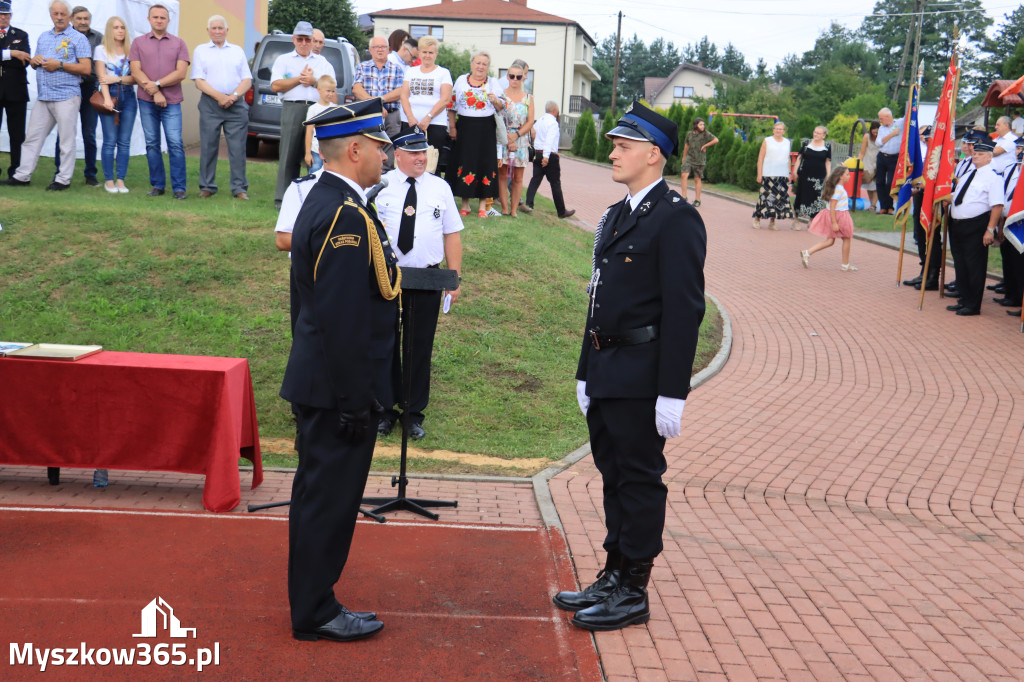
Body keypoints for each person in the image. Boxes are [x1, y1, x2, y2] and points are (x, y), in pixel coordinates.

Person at [555, 102, 706, 632]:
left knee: (640, 481)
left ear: (652, 154)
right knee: (613, 478)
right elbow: (597, 299)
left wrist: (673, 392)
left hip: (643, 376)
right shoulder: (617, 215)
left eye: (622, 146)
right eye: (615, 144)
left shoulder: (677, 218)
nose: (613, 152)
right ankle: (614, 573)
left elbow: (686, 311)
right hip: (606, 368)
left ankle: (634, 590)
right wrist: (583, 369)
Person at [279, 98, 397, 644]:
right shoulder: (343, 214)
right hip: (337, 392)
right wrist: (355, 400)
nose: (384, 154)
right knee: (328, 502)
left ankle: (312, 601)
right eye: (378, 146)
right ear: (355, 149)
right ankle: (316, 610)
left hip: (323, 383)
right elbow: (342, 319)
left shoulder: (325, 201)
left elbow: (306, 305)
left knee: (316, 497)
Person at [376, 128, 463, 439]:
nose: (421, 157)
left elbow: (451, 232)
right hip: (387, 278)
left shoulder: (439, 187)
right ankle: (384, 411)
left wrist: (455, 277)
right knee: (385, 345)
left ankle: (413, 413)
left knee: (419, 346)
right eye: (413, 152)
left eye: (423, 151)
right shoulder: (380, 186)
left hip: (426, 276)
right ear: (396, 155)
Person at [5, 0, 91, 191]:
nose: (59, 17)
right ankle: (22, 175)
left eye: (62, 14)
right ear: (51, 15)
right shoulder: (44, 36)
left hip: (66, 95)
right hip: (45, 96)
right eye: (55, 14)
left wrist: (59, 65)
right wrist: (35, 61)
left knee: (66, 141)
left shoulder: (78, 38)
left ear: (69, 16)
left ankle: (63, 179)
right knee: (32, 138)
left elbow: (86, 68)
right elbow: (35, 61)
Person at [270, 21, 335, 208]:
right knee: (288, 154)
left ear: (313, 41)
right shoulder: (284, 60)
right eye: (300, 39)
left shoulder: (322, 63)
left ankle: (311, 199)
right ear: (294, 39)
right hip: (293, 108)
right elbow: (275, 85)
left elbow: (332, 90)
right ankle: (283, 200)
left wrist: (314, 82)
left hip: (317, 110)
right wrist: (298, 79)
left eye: (308, 39)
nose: (304, 43)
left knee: (316, 154)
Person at [129, 3, 190, 199]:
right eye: (155, 17)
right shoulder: (138, 42)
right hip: (147, 101)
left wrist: (157, 85)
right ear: (149, 19)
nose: (159, 20)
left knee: (175, 143)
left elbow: (181, 73)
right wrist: (154, 91)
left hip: (172, 101)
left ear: (168, 20)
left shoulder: (179, 43)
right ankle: (157, 185)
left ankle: (179, 188)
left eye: (162, 18)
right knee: (152, 143)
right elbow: (136, 71)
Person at [192, 14, 252, 200]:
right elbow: (199, 80)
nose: (217, 31)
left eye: (221, 28)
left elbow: (247, 79)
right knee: (209, 146)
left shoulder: (237, 51)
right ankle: (207, 186)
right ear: (208, 31)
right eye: (214, 28)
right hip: (211, 104)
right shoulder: (201, 50)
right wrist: (219, 97)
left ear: (227, 31)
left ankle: (239, 188)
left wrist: (233, 96)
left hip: (235, 105)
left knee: (237, 148)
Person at [946, 138, 1004, 317]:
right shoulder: (969, 173)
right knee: (961, 264)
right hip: (957, 225)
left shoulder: (993, 177)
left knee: (974, 266)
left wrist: (990, 229)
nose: (975, 156)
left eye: (979, 154)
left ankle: (973, 304)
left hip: (976, 225)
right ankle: (963, 299)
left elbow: (997, 205)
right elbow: (958, 196)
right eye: (975, 153)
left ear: (989, 157)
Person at [447, 51, 504, 218]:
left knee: (484, 164)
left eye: (484, 64)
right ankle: (465, 205)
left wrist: (495, 101)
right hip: (464, 126)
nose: (480, 66)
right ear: (472, 64)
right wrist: (452, 127)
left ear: (488, 67)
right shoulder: (461, 80)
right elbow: (451, 105)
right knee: (465, 162)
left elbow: (502, 106)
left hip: (486, 128)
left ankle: (481, 206)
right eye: (478, 63)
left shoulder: (493, 83)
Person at [52, 5, 100, 186]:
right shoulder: (63, 36)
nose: (82, 22)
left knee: (89, 133)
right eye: (79, 18)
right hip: (68, 87)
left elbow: (101, 63)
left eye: (86, 19)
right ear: (72, 19)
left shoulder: (98, 38)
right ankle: (60, 172)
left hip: (89, 88)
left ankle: (90, 174)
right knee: (64, 133)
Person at [93, 15, 135, 194]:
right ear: (109, 30)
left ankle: (121, 180)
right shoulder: (101, 50)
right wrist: (107, 99)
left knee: (124, 141)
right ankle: (109, 180)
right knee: (110, 140)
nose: (120, 31)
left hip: (129, 97)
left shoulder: (132, 51)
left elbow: (135, 78)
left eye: (122, 27)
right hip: (108, 94)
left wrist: (117, 78)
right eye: (116, 27)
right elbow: (102, 77)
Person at [398, 35, 451, 175]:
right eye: (425, 52)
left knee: (432, 162)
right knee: (409, 159)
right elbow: (404, 95)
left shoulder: (443, 73)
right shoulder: (410, 71)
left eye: (431, 52)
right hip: (409, 122)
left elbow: (445, 99)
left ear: (436, 54)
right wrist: (410, 118)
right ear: (419, 53)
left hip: (434, 124)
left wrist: (428, 117)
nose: (427, 55)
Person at [353, 35, 403, 170]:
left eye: (383, 47)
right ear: (370, 49)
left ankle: (386, 182)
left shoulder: (397, 69)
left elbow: (401, 91)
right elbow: (357, 89)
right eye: (376, 47)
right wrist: (376, 106)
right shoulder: (362, 67)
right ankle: (367, 177)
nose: (380, 50)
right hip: (368, 114)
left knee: (390, 149)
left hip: (391, 115)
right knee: (368, 145)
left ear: (389, 49)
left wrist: (381, 100)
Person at [799, 166, 858, 271]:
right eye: (847, 174)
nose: (849, 176)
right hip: (839, 216)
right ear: (841, 176)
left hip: (836, 215)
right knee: (846, 238)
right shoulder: (838, 190)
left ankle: (807, 253)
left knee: (830, 241)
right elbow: (832, 206)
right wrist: (835, 223)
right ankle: (845, 265)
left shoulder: (837, 188)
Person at [903, 125, 941, 290]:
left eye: (927, 138)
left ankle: (932, 275)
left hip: (932, 198)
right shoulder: (923, 153)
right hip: (920, 195)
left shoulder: (939, 155)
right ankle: (923, 270)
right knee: (919, 234)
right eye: (924, 138)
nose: (925, 141)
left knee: (931, 235)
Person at [523, 100, 574, 219]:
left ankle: (529, 204)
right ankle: (561, 211)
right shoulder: (553, 123)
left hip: (537, 153)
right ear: (555, 111)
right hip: (549, 156)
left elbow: (532, 135)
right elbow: (549, 140)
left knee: (535, 180)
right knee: (555, 183)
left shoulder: (539, 121)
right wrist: (546, 156)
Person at [497, 59, 533, 216]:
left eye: (519, 77)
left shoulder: (528, 98)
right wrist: (507, 138)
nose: (515, 79)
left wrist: (516, 135)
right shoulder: (501, 96)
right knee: (502, 174)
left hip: (521, 139)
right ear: (507, 77)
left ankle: (514, 210)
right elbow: (497, 118)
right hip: (503, 138)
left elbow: (530, 121)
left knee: (518, 177)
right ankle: (504, 207)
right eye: (512, 76)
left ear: (523, 78)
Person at [0, 1, 31, 180]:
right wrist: (11, 53)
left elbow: (25, 59)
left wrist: (17, 56)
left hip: (16, 90)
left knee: (17, 133)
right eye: (0, 14)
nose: (3, 17)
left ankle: (17, 172)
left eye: (6, 14)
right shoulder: (14, 42)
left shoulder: (20, 34)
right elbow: (18, 56)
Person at [993, 137, 1024, 312]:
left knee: (1020, 264)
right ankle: (1011, 294)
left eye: (1022, 148)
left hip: (1021, 224)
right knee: (1010, 260)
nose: (1019, 151)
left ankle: (1021, 299)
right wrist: (1000, 223)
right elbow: (1004, 196)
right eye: (1018, 148)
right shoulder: (1010, 168)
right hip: (1007, 220)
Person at [752, 120, 794, 229]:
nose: (778, 131)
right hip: (768, 174)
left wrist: (789, 173)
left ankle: (772, 222)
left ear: (784, 131)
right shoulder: (767, 141)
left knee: (778, 200)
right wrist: (759, 174)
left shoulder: (787, 142)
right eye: (776, 129)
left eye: (780, 129)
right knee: (765, 198)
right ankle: (757, 219)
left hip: (782, 175)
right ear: (773, 130)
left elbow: (788, 159)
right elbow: (760, 158)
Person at [792, 125, 831, 221]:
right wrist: (795, 171)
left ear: (824, 135)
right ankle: (796, 220)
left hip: (819, 177)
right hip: (804, 174)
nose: (815, 134)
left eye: (818, 133)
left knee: (816, 198)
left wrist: (828, 176)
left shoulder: (827, 146)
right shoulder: (806, 143)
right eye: (815, 132)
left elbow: (828, 162)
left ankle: (812, 220)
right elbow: (799, 158)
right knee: (801, 196)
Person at [679, 117, 718, 207]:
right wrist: (684, 157)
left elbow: (716, 140)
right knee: (684, 175)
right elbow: (686, 145)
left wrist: (705, 145)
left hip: (699, 159)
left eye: (703, 124)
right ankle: (684, 197)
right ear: (695, 125)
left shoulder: (705, 134)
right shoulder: (689, 134)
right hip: (689, 158)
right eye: (701, 124)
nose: (703, 126)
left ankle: (697, 200)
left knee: (697, 179)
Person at [303, 74, 336, 174]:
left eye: (333, 91)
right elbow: (309, 132)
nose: (330, 94)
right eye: (328, 91)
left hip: (331, 153)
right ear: (319, 90)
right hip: (316, 151)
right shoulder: (313, 109)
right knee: (314, 177)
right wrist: (308, 153)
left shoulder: (335, 108)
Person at [875, 107, 903, 215]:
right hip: (882, 156)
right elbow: (879, 142)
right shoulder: (882, 129)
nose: (880, 121)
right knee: (879, 182)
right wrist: (892, 134)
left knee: (890, 182)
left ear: (888, 117)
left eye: (881, 118)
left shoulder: (899, 123)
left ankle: (890, 207)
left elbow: (909, 116)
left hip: (894, 157)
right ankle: (883, 207)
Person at [857, 121, 880, 212]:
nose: (875, 134)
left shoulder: (882, 137)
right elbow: (862, 152)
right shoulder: (867, 137)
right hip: (868, 161)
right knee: (869, 184)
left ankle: (873, 205)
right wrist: (859, 162)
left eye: (877, 132)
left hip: (878, 161)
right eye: (873, 132)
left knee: (876, 184)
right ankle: (871, 205)